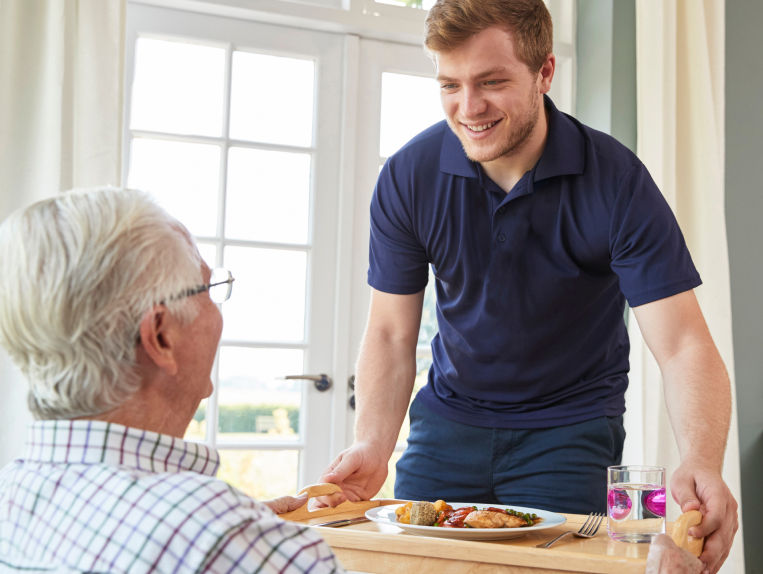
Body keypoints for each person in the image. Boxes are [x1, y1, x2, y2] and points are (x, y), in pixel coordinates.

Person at [319, 0, 737, 572]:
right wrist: (372, 442)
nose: (468, 108)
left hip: (568, 433)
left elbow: (684, 343)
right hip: (447, 427)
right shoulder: (408, 176)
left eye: (491, 82)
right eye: (450, 85)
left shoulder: (616, 181)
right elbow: (392, 334)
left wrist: (702, 460)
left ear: (544, 72)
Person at [0, 188, 344, 573]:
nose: (217, 309)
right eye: (208, 288)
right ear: (161, 335)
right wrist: (245, 537)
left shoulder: (12, 491)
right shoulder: (218, 536)